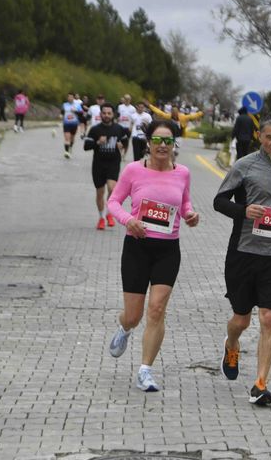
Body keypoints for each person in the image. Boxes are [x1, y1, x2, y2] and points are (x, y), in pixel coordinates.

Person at [213, 111, 271, 406]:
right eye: (270, 137)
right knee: (241, 320)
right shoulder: (244, 166)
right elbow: (219, 201)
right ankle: (231, 344)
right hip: (243, 253)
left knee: (269, 318)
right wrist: (244, 211)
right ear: (259, 137)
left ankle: (260, 384)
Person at [106, 119, 200, 391]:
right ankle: (125, 328)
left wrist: (190, 215)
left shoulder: (182, 173)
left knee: (157, 310)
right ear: (148, 143)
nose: (162, 145)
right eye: (157, 140)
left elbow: (184, 203)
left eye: (168, 141)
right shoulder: (134, 170)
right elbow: (114, 201)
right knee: (133, 315)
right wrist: (128, 220)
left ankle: (145, 371)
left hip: (168, 250)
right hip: (137, 248)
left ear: (174, 144)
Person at [84, 103, 130, 230]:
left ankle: (109, 213)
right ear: (100, 114)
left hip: (113, 163)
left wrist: (121, 146)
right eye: (104, 113)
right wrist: (98, 142)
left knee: (112, 189)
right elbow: (86, 146)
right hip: (98, 165)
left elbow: (125, 142)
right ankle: (101, 217)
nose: (106, 115)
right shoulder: (95, 129)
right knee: (100, 193)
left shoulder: (119, 129)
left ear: (113, 114)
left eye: (109, 113)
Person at [60, 93, 81, 158]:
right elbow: (62, 112)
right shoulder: (64, 105)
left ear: (73, 98)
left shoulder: (77, 105)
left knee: (72, 139)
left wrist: (75, 111)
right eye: (69, 97)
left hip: (74, 124)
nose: (70, 98)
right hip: (66, 123)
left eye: (71, 97)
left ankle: (70, 147)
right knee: (67, 138)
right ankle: (67, 152)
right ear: (67, 98)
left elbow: (81, 113)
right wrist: (61, 115)